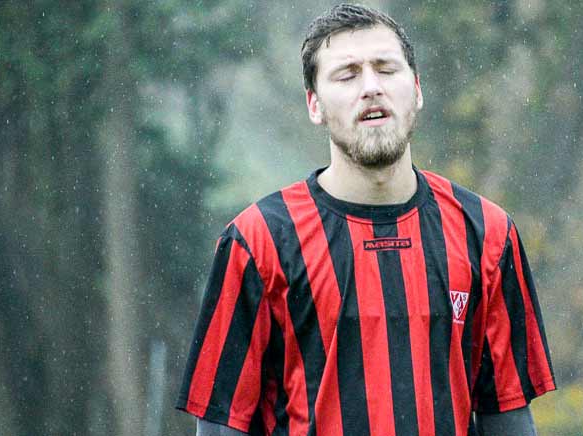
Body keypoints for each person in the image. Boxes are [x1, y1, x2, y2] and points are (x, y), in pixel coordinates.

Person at [177, 4, 556, 435]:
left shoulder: (487, 233)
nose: (371, 87)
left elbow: (508, 416)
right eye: (347, 75)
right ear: (314, 105)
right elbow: (222, 424)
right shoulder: (257, 241)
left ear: (417, 90)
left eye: (386, 69)